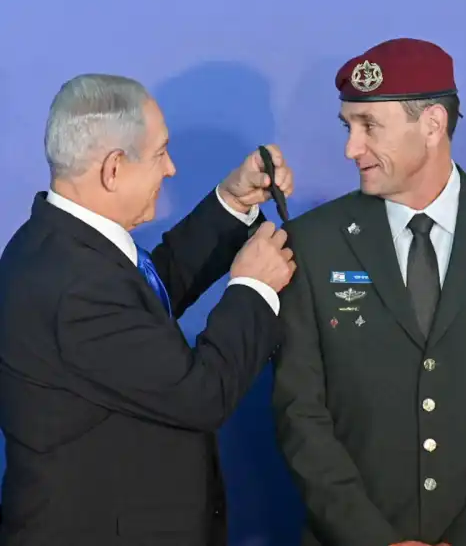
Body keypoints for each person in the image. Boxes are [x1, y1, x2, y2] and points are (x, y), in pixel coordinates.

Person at [271, 37, 466, 546]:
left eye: (370, 126)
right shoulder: (315, 240)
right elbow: (299, 411)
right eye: (348, 126)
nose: (351, 147)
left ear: (432, 124)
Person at [0, 73, 296, 546]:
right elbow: (201, 394)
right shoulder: (78, 286)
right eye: (160, 153)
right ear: (113, 168)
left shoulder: (58, 245)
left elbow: (146, 298)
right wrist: (253, 288)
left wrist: (232, 203)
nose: (172, 169)